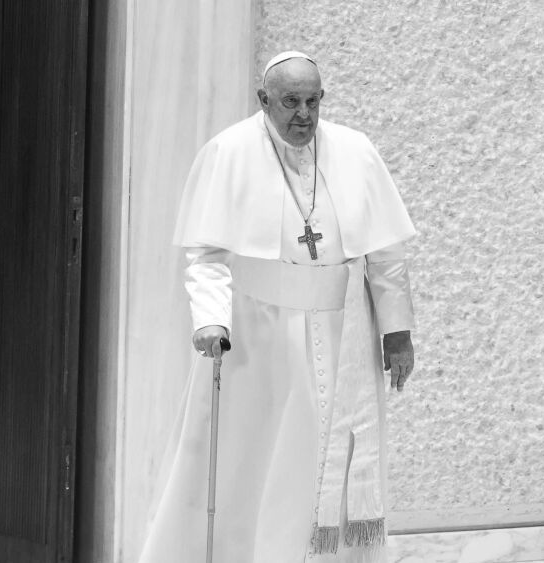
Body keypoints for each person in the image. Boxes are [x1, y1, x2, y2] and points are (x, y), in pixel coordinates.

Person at [138, 51, 417, 562]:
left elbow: (387, 254)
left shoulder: (355, 151)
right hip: (258, 338)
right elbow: (207, 255)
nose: (304, 115)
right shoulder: (230, 152)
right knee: (251, 469)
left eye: (313, 101)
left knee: (331, 461)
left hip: (343, 337)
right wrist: (210, 321)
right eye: (290, 102)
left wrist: (396, 331)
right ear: (263, 100)